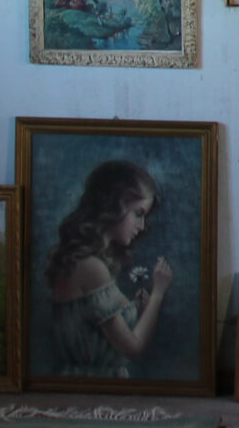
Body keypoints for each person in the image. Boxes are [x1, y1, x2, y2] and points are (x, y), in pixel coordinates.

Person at [43, 159, 175, 381]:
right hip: (95, 386)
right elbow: (133, 348)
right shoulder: (91, 268)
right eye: (138, 213)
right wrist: (158, 294)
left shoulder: (88, 263)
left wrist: (136, 309)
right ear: (115, 206)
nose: (142, 226)